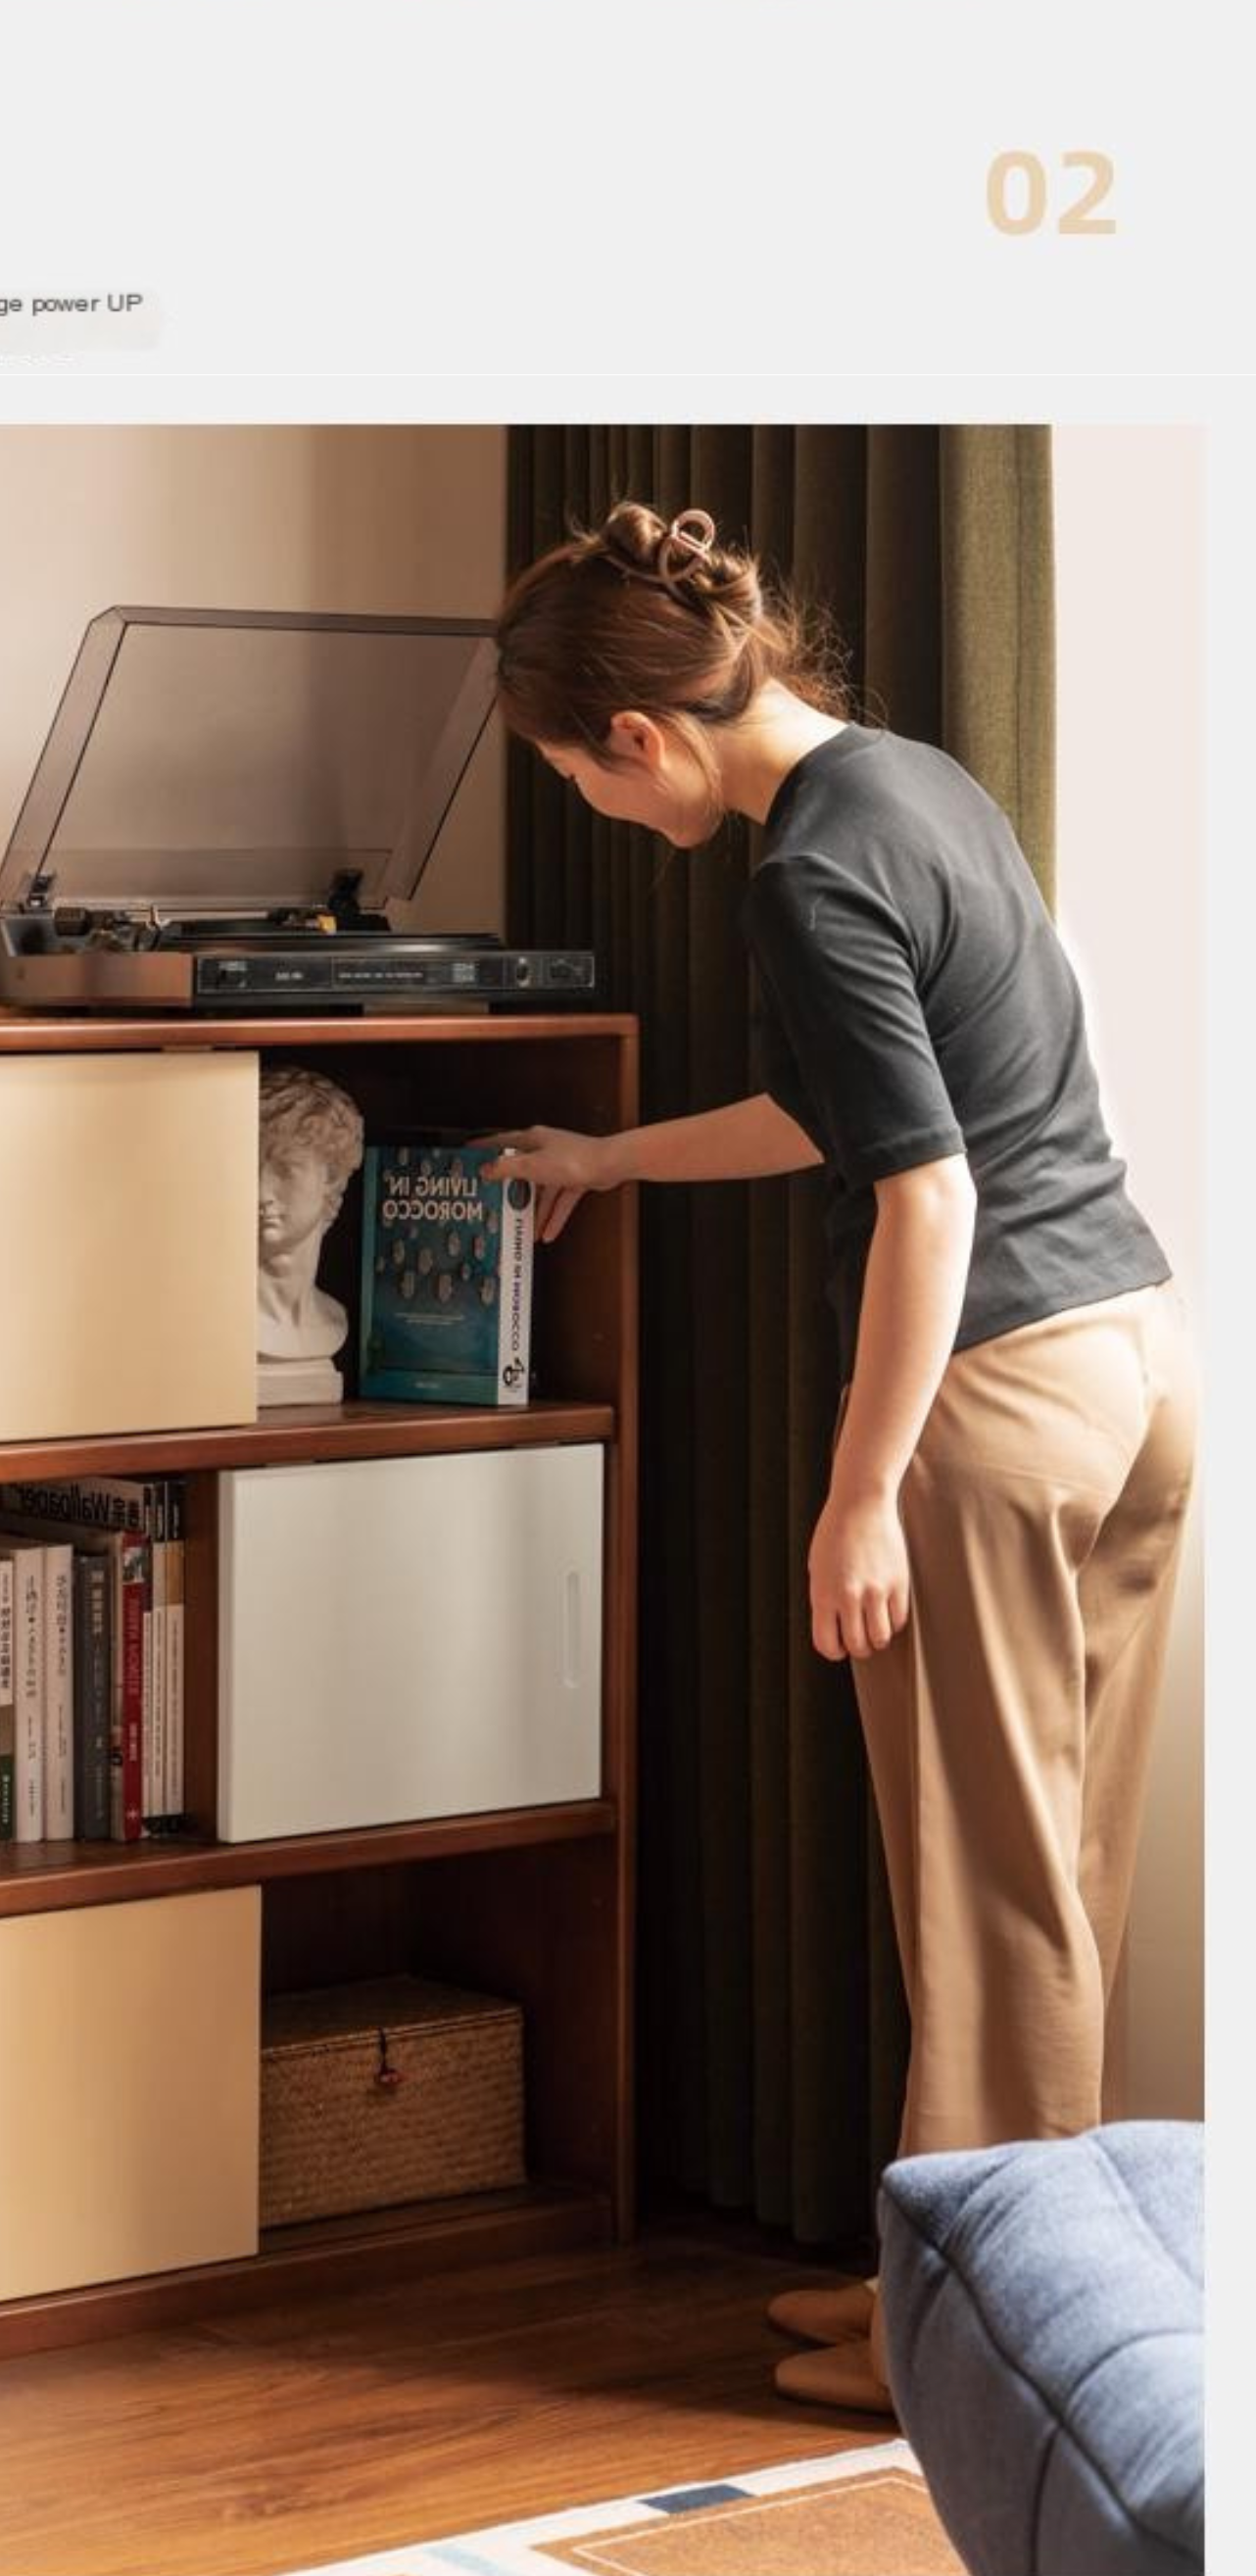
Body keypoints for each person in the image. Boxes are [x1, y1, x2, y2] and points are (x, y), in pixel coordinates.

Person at [482, 501, 1196, 2414]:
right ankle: (953, 2303)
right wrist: (607, 1159)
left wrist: (855, 1487)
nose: (591, 808)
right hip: (1131, 1359)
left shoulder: (800, 876)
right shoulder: (908, 783)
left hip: (994, 1401)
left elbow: (925, 1193)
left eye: (571, 778)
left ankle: (986, 2358)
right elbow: (844, 1111)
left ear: (633, 740)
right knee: (1049, 1889)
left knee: (983, 1906)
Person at [256, 1063, 364, 1402]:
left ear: (331, 1177)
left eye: (285, 1171)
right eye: (248, 1167)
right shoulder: (211, 1321)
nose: (260, 1193)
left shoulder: (333, 1319)